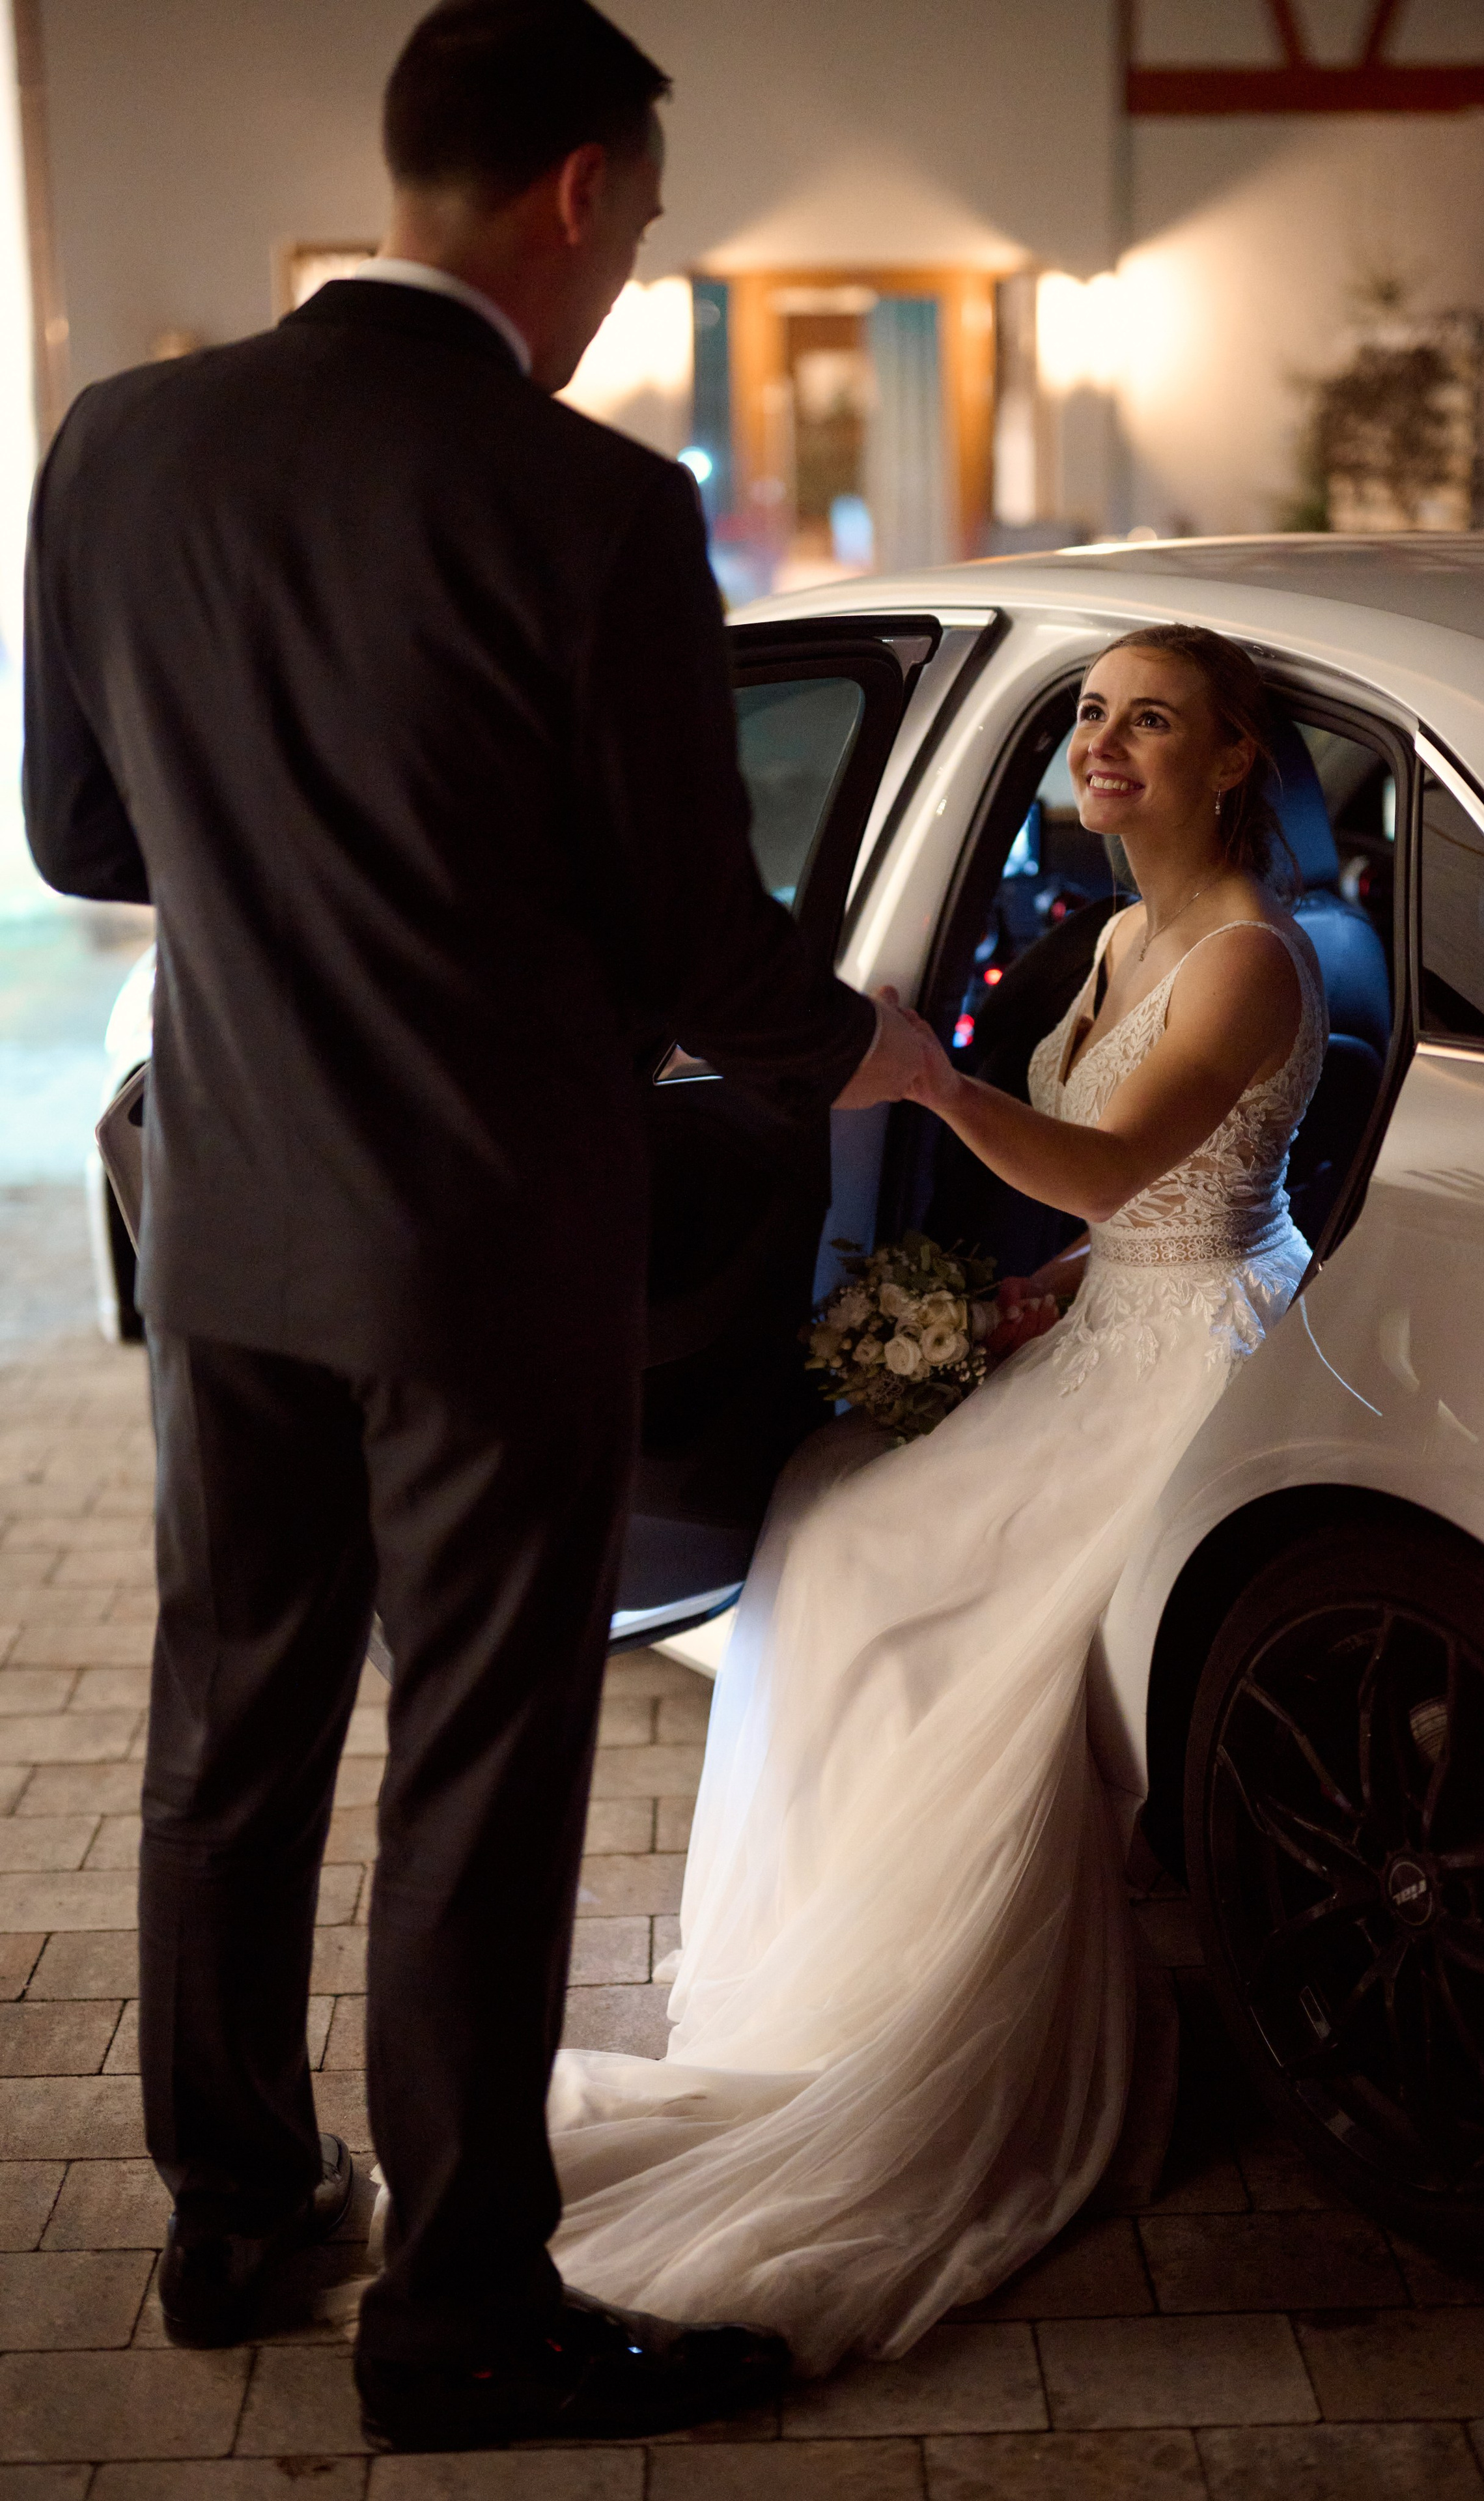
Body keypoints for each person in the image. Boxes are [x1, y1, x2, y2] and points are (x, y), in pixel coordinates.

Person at [22, 0, 927, 2453]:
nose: (634, 262)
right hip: (492, 1239)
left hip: (229, 1215)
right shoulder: (598, 509)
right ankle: (461, 2309)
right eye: (639, 215)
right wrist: (906, 1063)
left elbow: (85, 844)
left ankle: (233, 2216)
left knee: (231, 1721)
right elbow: (690, 948)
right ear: (567, 194)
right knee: (485, 1760)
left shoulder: (120, 447)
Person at [539, 623, 1327, 2371]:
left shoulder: (1251, 963)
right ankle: (841, 1971)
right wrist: (1045, 1289)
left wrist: (930, 1077)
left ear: (1229, 762)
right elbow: (1127, 1205)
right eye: (1096, 713)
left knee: (872, 1555)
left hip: (1203, 1356)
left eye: (1154, 721)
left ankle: (933, 2025)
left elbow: (1123, 1161)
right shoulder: (1121, 929)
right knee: (826, 1514)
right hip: (1122, 1310)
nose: (1109, 741)